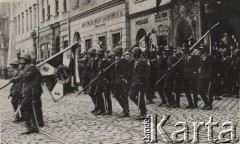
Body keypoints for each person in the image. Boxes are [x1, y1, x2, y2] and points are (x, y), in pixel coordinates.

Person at [18, 53, 43, 134]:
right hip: (27, 91)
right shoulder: (26, 67)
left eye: (22, 59)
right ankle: (33, 127)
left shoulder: (31, 67)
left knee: (23, 108)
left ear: (27, 60)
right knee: (30, 109)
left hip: (30, 91)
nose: (21, 61)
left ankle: (30, 127)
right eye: (21, 59)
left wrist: (21, 70)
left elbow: (25, 76)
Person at [128, 47, 147, 119]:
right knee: (132, 96)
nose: (132, 54)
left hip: (140, 82)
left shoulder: (141, 62)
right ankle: (142, 109)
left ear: (136, 54)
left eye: (133, 53)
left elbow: (142, 73)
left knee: (141, 97)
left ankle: (143, 112)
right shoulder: (134, 61)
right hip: (134, 81)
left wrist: (141, 82)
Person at [113, 46, 129, 117]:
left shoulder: (123, 60)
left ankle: (126, 111)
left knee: (124, 96)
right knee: (116, 94)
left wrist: (123, 78)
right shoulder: (118, 60)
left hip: (122, 81)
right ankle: (124, 108)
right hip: (117, 80)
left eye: (115, 52)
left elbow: (125, 71)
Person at [198, 44, 214, 110]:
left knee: (209, 91)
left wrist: (211, 75)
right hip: (202, 75)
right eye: (200, 49)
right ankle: (206, 103)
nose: (200, 50)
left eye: (201, 49)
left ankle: (209, 105)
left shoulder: (209, 56)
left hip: (208, 75)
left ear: (205, 49)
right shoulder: (201, 56)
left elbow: (212, 66)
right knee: (200, 90)